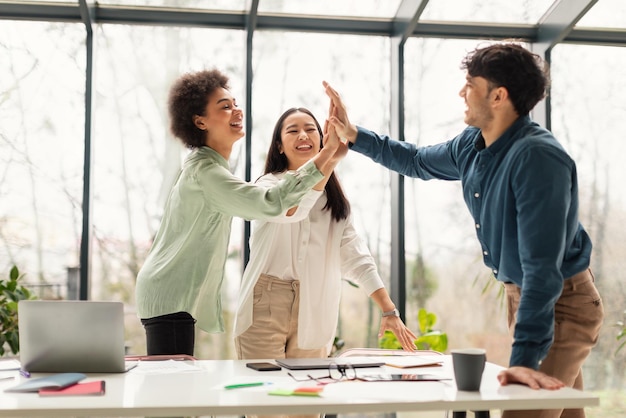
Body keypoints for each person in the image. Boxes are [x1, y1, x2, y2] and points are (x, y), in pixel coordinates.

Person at [324, 42, 604, 418]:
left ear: (499, 96)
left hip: (561, 304)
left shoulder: (537, 159)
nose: (462, 92)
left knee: (523, 410)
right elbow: (418, 160)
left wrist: (521, 362)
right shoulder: (473, 144)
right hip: (525, 299)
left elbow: (542, 272)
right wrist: (353, 133)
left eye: (470, 84)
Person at [135, 69, 347, 357]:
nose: (237, 110)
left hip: (172, 294)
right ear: (200, 121)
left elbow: (288, 207)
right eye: (225, 106)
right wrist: (327, 152)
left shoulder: (209, 168)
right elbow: (273, 202)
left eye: (235, 103)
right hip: (169, 294)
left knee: (175, 382)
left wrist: (330, 155)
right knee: (171, 388)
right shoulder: (206, 173)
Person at [233, 107, 417, 366]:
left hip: (316, 303)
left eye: (310, 129)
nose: (303, 135)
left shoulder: (336, 203)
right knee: (265, 400)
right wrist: (329, 159)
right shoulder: (267, 187)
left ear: (321, 139)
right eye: (293, 130)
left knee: (308, 400)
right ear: (280, 146)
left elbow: (357, 258)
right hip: (265, 301)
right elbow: (291, 208)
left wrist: (389, 310)